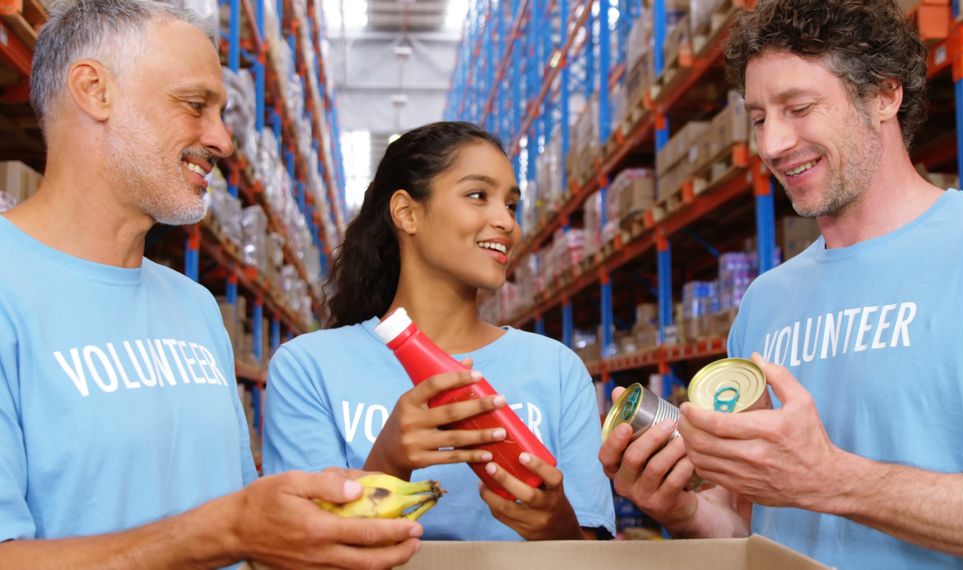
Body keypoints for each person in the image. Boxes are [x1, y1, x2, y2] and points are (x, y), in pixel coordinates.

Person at [600, 0, 963, 568]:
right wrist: (682, 511)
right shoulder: (765, 300)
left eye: (798, 107)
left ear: (883, 94)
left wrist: (835, 480)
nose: (773, 144)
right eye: (758, 118)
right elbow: (749, 525)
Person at [0, 1, 421, 568]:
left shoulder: (195, 307)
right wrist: (226, 531)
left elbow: (236, 518)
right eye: (195, 105)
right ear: (94, 90)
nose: (222, 139)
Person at [261, 121, 616, 541]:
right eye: (478, 195)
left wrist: (559, 527)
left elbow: (588, 553)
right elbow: (303, 550)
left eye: (511, 204)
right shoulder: (308, 367)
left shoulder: (557, 369)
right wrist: (388, 460)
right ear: (407, 213)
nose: (505, 221)